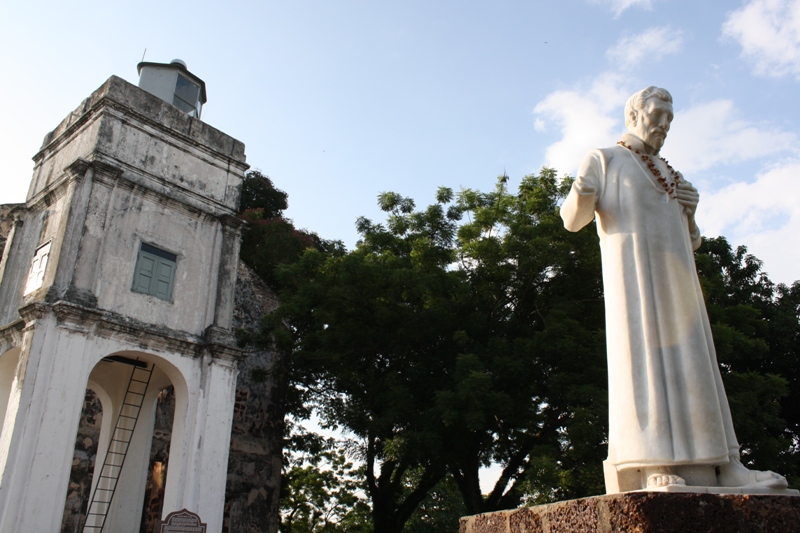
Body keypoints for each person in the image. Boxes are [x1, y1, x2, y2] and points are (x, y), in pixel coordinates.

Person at [560, 86, 788, 491]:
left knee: (698, 367)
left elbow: (692, 239)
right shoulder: (605, 159)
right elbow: (572, 219)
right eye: (657, 114)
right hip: (636, 283)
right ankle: (651, 463)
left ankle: (726, 464)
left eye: (669, 118)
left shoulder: (672, 174)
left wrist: (693, 213)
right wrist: (582, 191)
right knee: (646, 364)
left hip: (679, 286)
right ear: (634, 114)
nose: (664, 124)